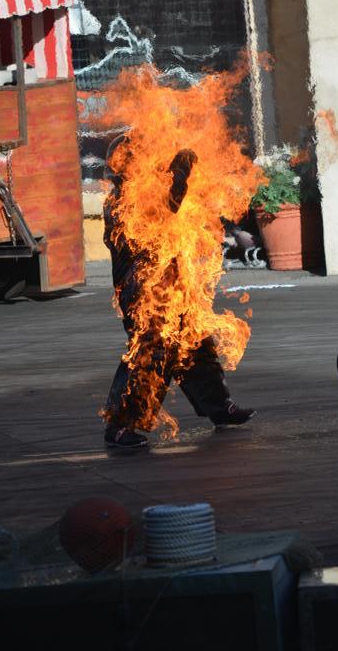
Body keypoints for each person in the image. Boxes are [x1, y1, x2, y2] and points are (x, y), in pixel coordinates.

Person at [101, 133, 256, 448]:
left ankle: (219, 407)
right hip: (144, 293)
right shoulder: (123, 202)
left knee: (194, 343)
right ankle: (120, 424)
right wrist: (181, 169)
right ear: (127, 167)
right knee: (149, 354)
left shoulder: (141, 192)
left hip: (170, 285)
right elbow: (166, 207)